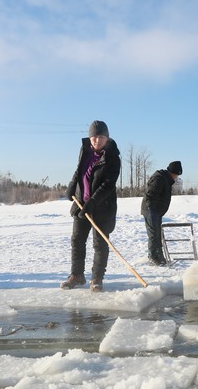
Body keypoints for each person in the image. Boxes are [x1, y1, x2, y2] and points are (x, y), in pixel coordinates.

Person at [62, 120, 121, 292]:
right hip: (81, 204)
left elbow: (108, 185)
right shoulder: (85, 151)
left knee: (100, 243)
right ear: (90, 138)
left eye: (101, 137)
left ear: (107, 138)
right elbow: (79, 171)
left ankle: (97, 278)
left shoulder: (113, 157)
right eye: (94, 137)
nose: (97, 141)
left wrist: (93, 202)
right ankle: (77, 275)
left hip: (102, 206)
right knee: (77, 240)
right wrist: (72, 186)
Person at [141, 161, 183, 266]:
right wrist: (151, 210)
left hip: (156, 211)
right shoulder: (159, 179)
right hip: (150, 210)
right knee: (153, 234)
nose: (176, 177)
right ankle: (153, 257)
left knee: (157, 234)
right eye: (176, 174)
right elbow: (150, 195)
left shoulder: (166, 179)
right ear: (172, 172)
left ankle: (159, 256)